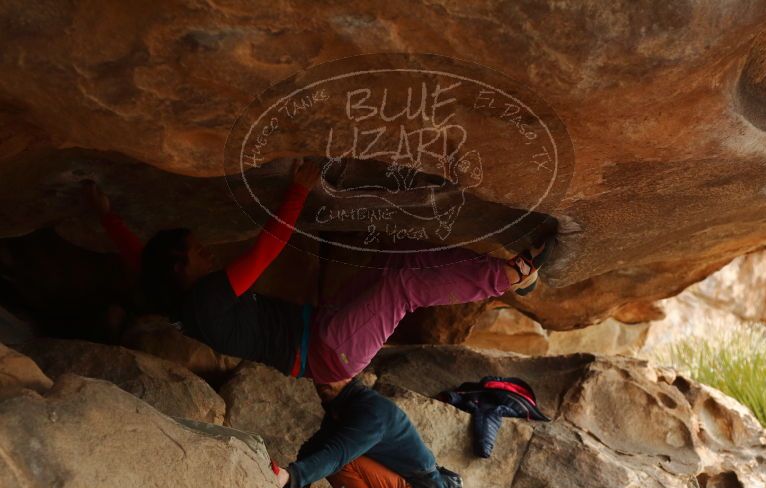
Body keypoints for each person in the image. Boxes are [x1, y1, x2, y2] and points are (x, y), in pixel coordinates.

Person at [87, 158, 555, 384]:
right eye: (195, 252)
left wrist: (106, 215)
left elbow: (141, 260)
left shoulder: (179, 294)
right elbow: (265, 252)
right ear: (179, 268)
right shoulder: (206, 300)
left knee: (398, 258)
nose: (207, 252)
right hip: (330, 353)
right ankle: (508, 279)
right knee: (403, 285)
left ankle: (512, 272)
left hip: (324, 329)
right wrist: (298, 190)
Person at [275, 377, 459, 488]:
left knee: (344, 462)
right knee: (335, 461)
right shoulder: (341, 409)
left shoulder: (372, 410)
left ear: (350, 374)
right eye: (318, 374)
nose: (322, 381)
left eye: (331, 373)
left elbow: (337, 454)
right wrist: (301, 486)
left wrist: (290, 475)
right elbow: (313, 447)